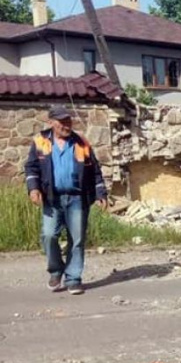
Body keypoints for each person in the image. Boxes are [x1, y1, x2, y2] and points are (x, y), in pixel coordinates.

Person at [24, 105, 108, 295]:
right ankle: (56, 271)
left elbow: (94, 170)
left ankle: (73, 278)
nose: (66, 125)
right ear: (51, 122)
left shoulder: (81, 143)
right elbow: (31, 168)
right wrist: (34, 188)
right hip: (52, 198)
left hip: (77, 198)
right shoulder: (40, 141)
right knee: (48, 235)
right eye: (62, 122)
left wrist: (101, 193)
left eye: (68, 121)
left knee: (76, 240)